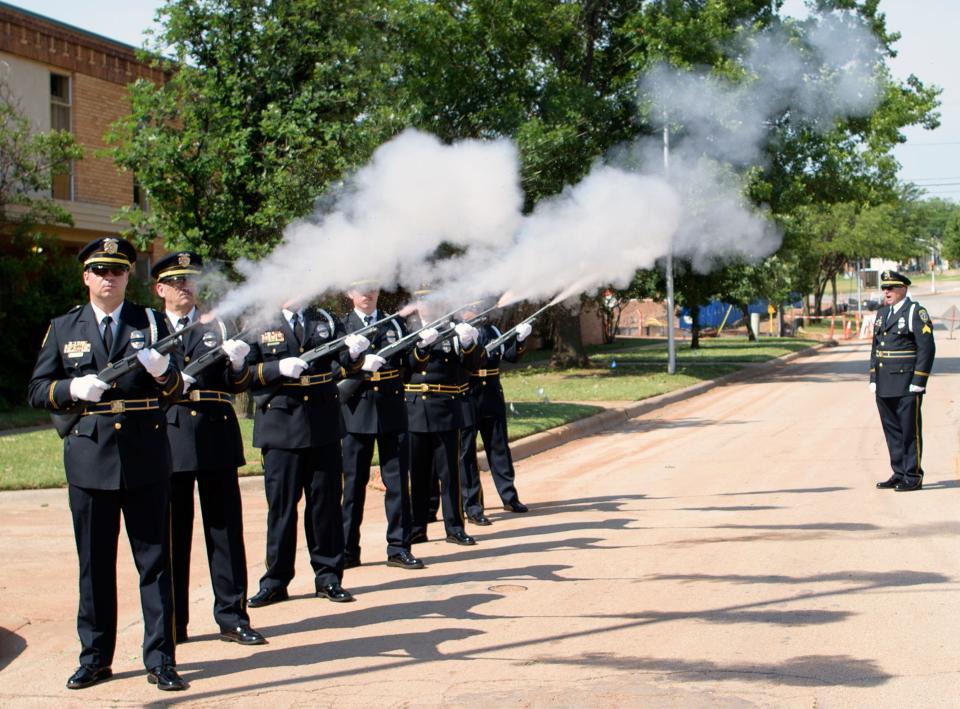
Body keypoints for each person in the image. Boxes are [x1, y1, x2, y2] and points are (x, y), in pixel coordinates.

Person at [27, 237, 187, 691]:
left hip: (145, 456)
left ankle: (161, 659)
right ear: (86, 278)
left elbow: (176, 390)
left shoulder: (153, 322)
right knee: (94, 566)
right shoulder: (63, 327)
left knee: (155, 562)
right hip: (89, 458)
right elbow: (38, 389)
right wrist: (72, 390)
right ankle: (95, 657)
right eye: (100, 271)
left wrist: (163, 372)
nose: (108, 278)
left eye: (117, 271)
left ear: (126, 277)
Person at [152, 252, 266, 646]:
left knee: (225, 531)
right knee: (171, 534)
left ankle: (232, 616)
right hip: (167, 436)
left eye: (191, 280)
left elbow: (240, 382)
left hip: (215, 435)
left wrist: (237, 368)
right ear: (160, 288)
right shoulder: (149, 329)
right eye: (176, 280)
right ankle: (173, 622)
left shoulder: (219, 323)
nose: (186, 286)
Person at [246, 300, 369, 607]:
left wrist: (354, 353)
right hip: (280, 427)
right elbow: (243, 374)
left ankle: (328, 576)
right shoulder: (261, 318)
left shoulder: (324, 317)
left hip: (322, 425)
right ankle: (276, 580)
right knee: (282, 510)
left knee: (325, 507)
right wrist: (277, 368)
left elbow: (344, 361)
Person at [340, 284, 423, 570]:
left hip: (391, 410)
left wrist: (422, 348)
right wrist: (359, 364)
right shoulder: (341, 327)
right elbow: (333, 370)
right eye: (360, 289)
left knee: (398, 483)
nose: (367, 294)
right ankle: (347, 549)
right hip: (356, 412)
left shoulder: (395, 324)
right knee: (352, 487)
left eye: (372, 288)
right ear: (349, 293)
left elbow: (410, 366)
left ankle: (399, 547)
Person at [405, 296, 482, 546]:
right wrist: (419, 348)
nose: (428, 304)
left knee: (449, 473)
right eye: (422, 300)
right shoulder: (406, 331)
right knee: (417, 473)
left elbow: (472, 366)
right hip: (414, 407)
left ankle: (454, 526)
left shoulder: (451, 330)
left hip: (445, 406)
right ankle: (417, 527)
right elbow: (403, 367)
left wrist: (469, 343)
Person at [459, 316, 534, 525]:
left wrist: (519, 341)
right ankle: (472, 505)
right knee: (466, 453)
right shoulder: (458, 331)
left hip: (491, 392)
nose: (475, 309)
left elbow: (510, 356)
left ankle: (509, 497)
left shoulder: (492, 329)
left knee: (499, 447)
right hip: (468, 392)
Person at [870, 270, 935, 492]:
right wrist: (873, 377)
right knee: (892, 431)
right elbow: (875, 348)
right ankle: (899, 472)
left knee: (909, 430)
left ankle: (913, 475)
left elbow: (926, 348)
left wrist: (920, 380)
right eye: (884, 288)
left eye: (891, 288)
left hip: (907, 383)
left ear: (903, 289)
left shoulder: (915, 312)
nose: (886, 292)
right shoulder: (882, 314)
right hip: (884, 382)